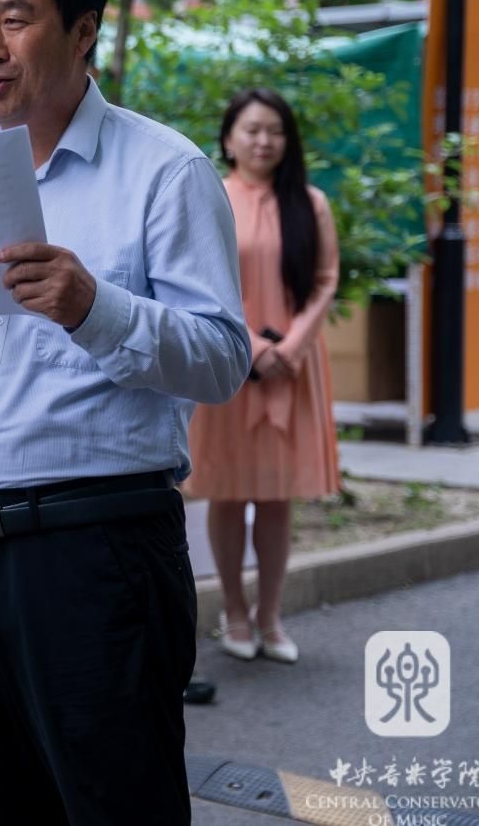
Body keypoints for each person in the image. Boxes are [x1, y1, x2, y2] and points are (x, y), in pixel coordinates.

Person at [0, 0, 251, 824]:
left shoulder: (164, 171)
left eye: (15, 18)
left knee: (117, 805)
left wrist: (94, 306)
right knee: (4, 804)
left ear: (83, 31)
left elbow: (221, 359)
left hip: (95, 551)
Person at [185, 88, 341, 665]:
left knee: (278, 497)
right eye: (251, 130)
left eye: (274, 130)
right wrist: (250, 346)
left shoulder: (311, 203)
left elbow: (324, 281)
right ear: (229, 139)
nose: (263, 141)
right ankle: (234, 611)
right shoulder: (212, 198)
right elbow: (198, 280)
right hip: (228, 363)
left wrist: (290, 347)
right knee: (227, 493)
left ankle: (270, 616)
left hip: (294, 369)